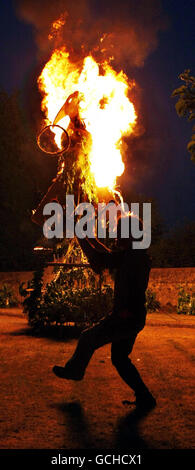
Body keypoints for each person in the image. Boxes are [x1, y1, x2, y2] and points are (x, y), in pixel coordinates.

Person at [53, 213, 156, 410]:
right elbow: (105, 254)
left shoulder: (133, 257)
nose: (116, 234)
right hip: (132, 317)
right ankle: (145, 396)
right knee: (119, 358)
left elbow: (98, 259)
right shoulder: (135, 254)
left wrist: (78, 232)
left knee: (87, 338)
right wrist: (87, 236)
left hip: (126, 317)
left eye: (120, 231)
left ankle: (75, 371)